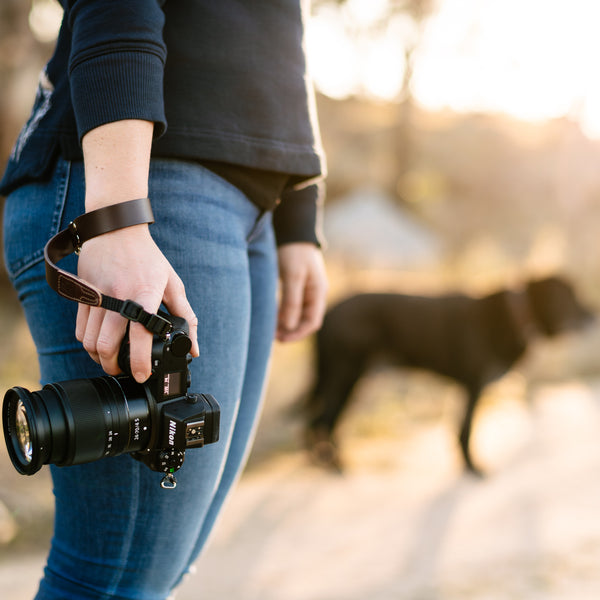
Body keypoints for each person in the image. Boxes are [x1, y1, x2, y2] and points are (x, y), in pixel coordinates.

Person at [0, 2, 327, 599]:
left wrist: (299, 213)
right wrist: (116, 212)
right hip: (146, 177)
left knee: (156, 572)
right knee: (114, 581)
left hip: (247, 200)